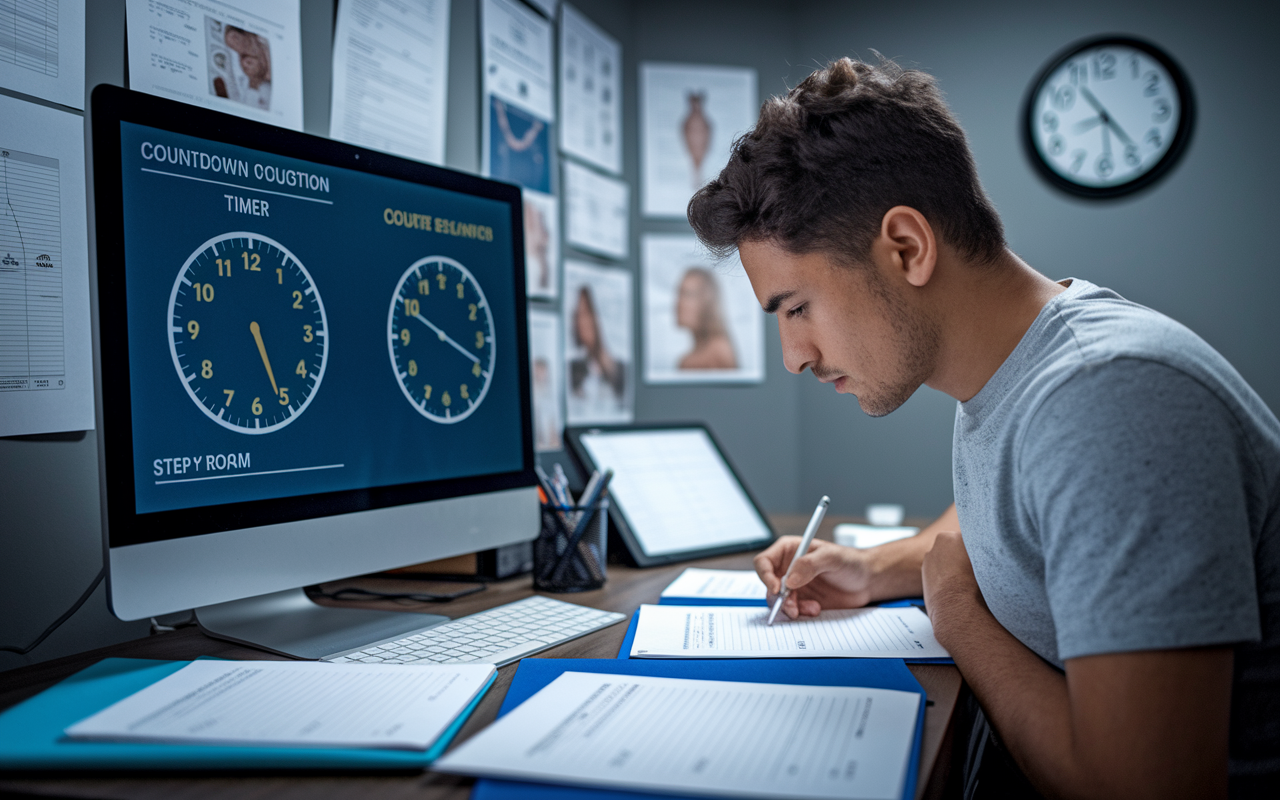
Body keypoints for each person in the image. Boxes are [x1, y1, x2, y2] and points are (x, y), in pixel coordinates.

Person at [687, 56, 1279, 799]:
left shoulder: (1112, 399)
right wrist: (879, 570)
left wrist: (960, 621)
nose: (793, 357)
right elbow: (1016, 515)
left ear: (906, 246)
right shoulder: (1019, 369)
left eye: (796, 308)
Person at [567, 285, 626, 416]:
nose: (581, 322)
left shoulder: (618, 368)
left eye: (586, 313)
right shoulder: (574, 368)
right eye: (578, 315)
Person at [675, 267, 737, 370]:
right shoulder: (691, 357)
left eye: (688, 294)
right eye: (679, 294)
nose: (678, 303)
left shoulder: (717, 353)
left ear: (707, 302)